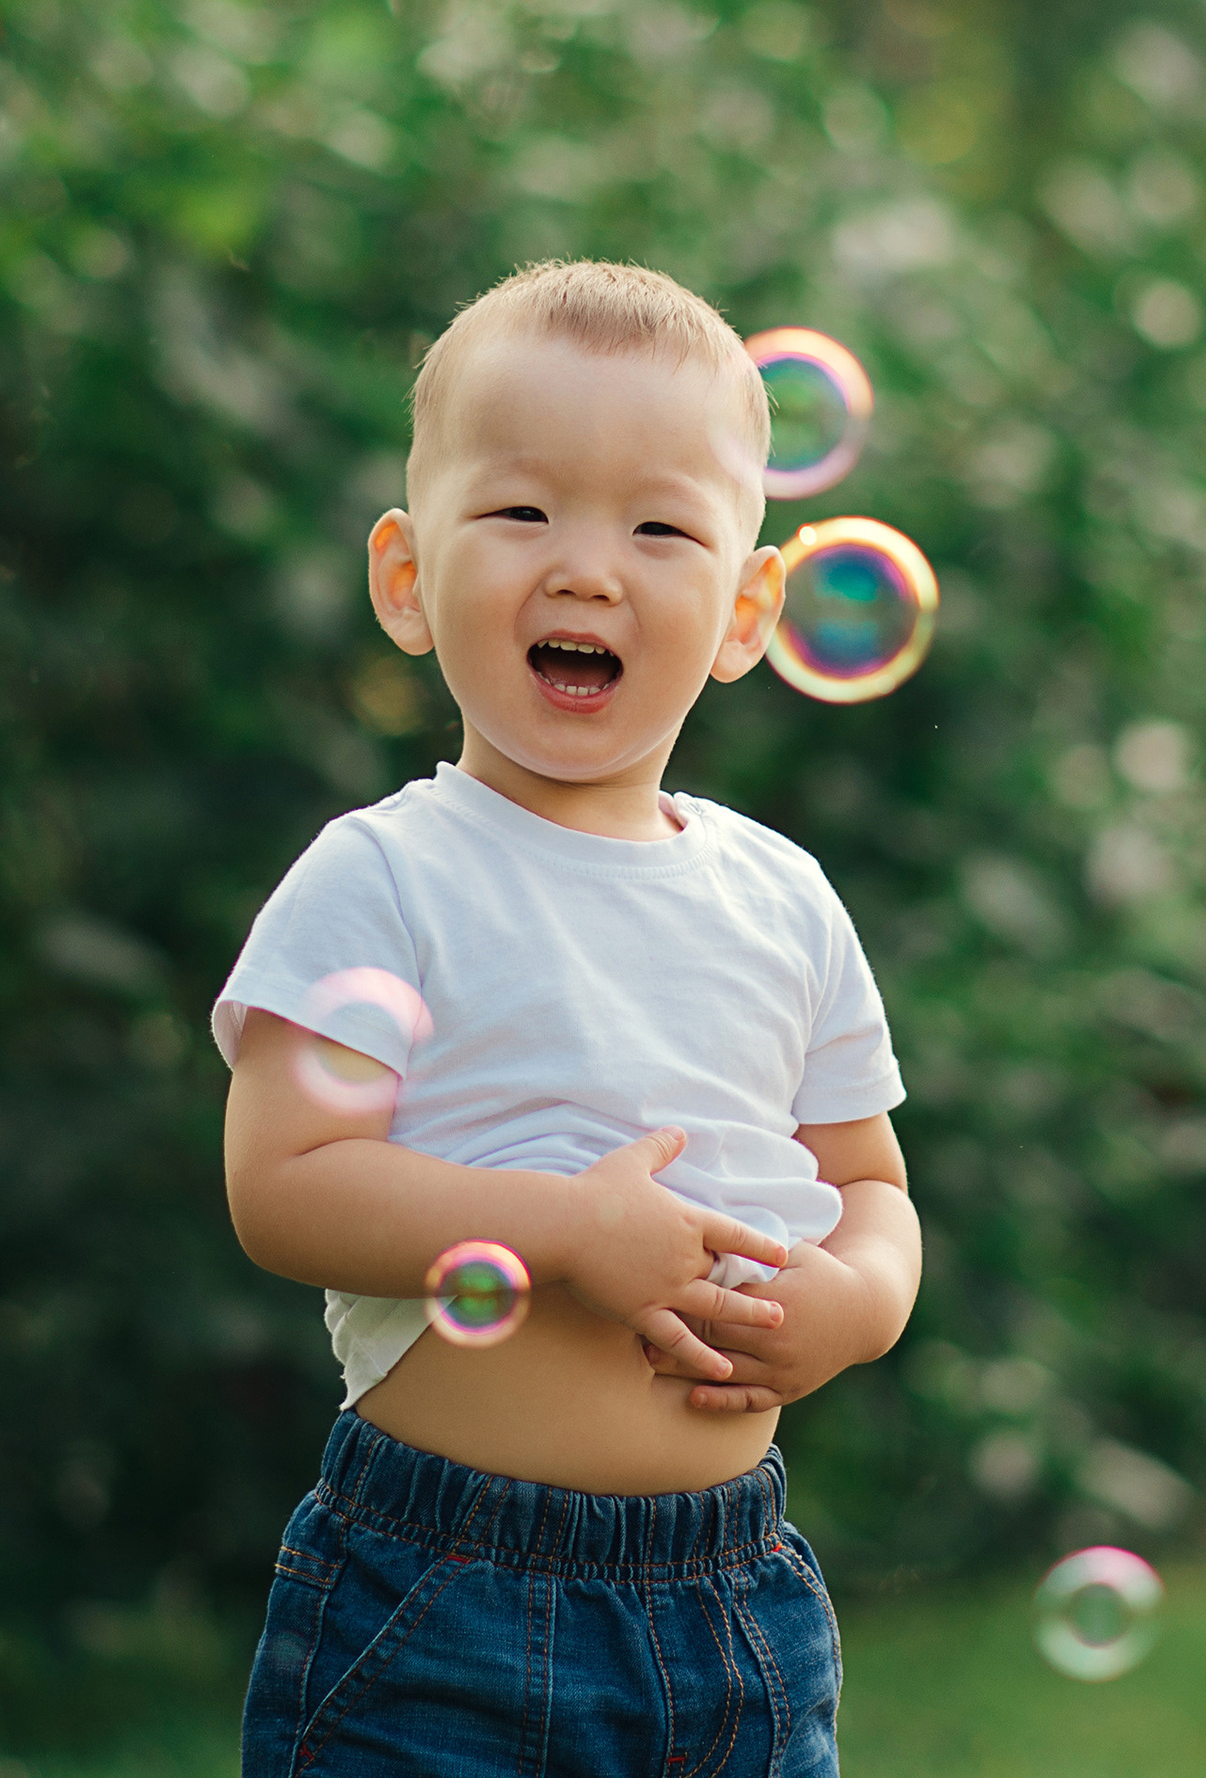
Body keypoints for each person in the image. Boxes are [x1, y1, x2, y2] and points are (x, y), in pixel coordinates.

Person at [213, 261, 920, 1777]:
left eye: (660, 527)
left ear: (746, 609)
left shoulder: (780, 898)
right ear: (408, 577)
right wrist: (559, 1229)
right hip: (441, 1591)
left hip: (734, 1601)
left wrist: (852, 1305)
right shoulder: (387, 876)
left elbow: (871, 1185)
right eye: (523, 513)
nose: (588, 570)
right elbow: (282, 1187)